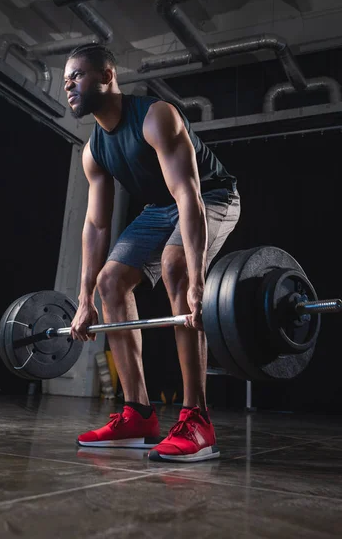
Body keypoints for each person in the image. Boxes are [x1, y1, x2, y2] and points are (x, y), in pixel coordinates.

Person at [64, 44, 240, 463]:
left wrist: (197, 281)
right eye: (66, 77)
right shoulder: (94, 150)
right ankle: (138, 413)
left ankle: (198, 419)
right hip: (159, 210)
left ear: (108, 74)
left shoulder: (156, 116)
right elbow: (97, 225)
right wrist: (84, 298)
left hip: (211, 197)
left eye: (78, 74)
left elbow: (189, 195)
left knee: (175, 266)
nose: (69, 83)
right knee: (110, 283)